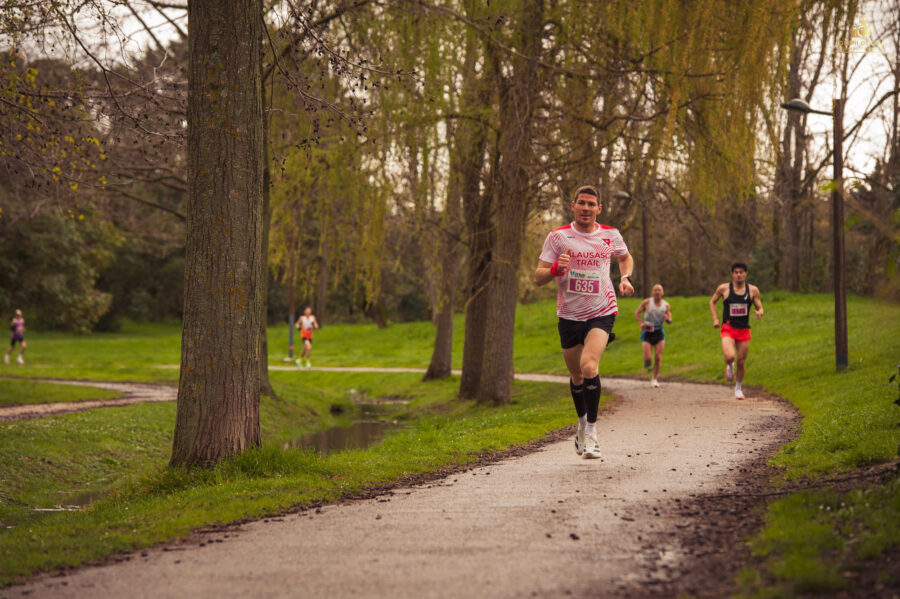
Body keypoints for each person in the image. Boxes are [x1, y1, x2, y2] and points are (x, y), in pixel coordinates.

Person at [534, 184, 635, 459]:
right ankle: (580, 425)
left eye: (592, 204)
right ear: (573, 205)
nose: (586, 208)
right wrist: (556, 269)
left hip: (603, 309)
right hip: (568, 315)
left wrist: (625, 278)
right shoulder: (557, 238)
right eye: (582, 203)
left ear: (599, 209)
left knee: (589, 366)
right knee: (576, 375)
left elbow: (625, 258)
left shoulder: (610, 235)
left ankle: (592, 432)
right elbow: (538, 276)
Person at [709, 262, 764, 400]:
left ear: (745, 274)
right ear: (732, 274)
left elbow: (760, 307)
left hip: (744, 329)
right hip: (728, 328)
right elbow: (712, 302)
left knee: (741, 361)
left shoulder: (752, 290)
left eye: (741, 272)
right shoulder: (724, 289)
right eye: (736, 272)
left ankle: (738, 387)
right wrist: (715, 319)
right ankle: (729, 365)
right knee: (730, 356)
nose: (739, 275)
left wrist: (759, 312)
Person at [634, 284, 672, 388]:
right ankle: (647, 363)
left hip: (659, 332)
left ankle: (654, 378)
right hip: (647, 332)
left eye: (659, 290)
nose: (657, 292)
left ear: (662, 293)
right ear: (652, 292)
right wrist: (641, 323)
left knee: (658, 357)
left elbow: (670, 319)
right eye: (655, 290)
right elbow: (637, 313)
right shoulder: (647, 302)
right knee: (647, 358)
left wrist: (667, 319)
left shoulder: (666, 305)